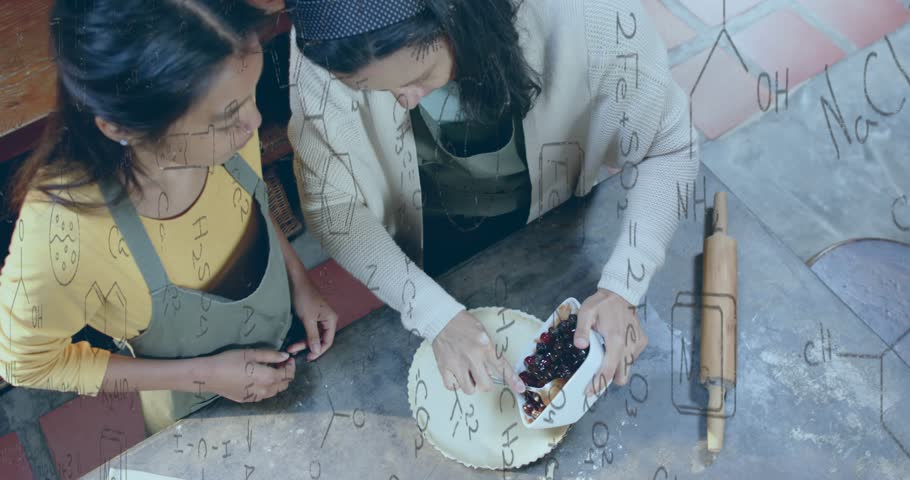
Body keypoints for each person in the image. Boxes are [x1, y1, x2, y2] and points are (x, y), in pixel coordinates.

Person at [287, 0, 698, 397]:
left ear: (463, 14)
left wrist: (623, 286)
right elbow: (333, 206)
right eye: (371, 88)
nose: (405, 99)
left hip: (556, 227)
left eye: (420, 76)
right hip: (431, 249)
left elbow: (670, 145)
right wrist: (431, 312)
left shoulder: (589, 13)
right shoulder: (328, 40)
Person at [0, 0, 337, 436]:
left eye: (250, 94)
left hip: (283, 339)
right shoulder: (62, 233)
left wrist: (300, 282)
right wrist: (204, 375)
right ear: (123, 128)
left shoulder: (226, 123)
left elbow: (246, 206)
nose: (254, 123)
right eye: (228, 116)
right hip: (195, 414)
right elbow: (25, 363)